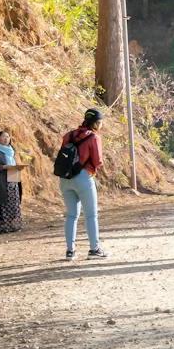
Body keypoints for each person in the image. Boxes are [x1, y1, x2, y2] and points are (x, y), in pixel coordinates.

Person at [56, 108, 107, 260]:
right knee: (91, 215)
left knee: (71, 215)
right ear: (96, 123)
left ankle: (70, 251)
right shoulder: (93, 137)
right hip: (84, 177)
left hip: (65, 179)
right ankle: (94, 249)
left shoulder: (68, 135)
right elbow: (97, 161)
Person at [0, 129, 25, 234]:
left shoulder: (11, 150)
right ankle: (2, 228)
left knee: (13, 204)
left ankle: (14, 226)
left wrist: (17, 167)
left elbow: (12, 164)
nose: (6, 139)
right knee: (2, 204)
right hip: (1, 182)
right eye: (3, 137)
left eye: (8, 137)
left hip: (13, 180)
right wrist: (3, 167)